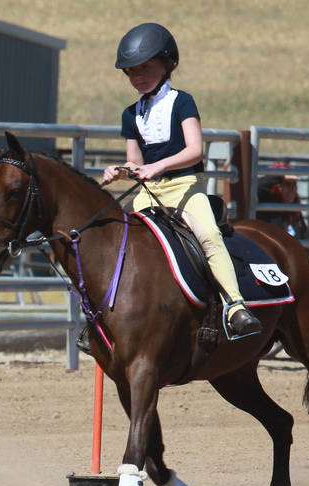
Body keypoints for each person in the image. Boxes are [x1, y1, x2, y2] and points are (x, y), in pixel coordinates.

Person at [102, 22, 261, 339]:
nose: (138, 76)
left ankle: (235, 306)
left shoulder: (182, 102)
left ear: (167, 63)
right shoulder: (129, 115)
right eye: (132, 72)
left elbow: (193, 150)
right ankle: (111, 317)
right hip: (148, 193)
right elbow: (135, 161)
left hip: (185, 187)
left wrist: (156, 167)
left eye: (145, 67)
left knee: (209, 237)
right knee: (123, 246)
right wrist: (121, 170)